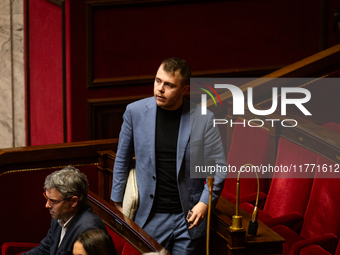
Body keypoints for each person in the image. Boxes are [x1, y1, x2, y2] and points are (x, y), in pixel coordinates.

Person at [111, 57, 226, 255]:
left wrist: (205, 202)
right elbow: (122, 159)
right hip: (149, 216)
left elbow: (219, 166)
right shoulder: (135, 112)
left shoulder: (204, 118)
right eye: (157, 81)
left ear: (185, 90)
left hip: (189, 218)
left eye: (169, 85)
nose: (160, 89)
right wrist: (118, 203)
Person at [23, 166, 107, 255]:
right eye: (47, 199)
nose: (47, 205)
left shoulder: (89, 230)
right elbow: (45, 249)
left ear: (74, 201)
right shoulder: (59, 217)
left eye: (53, 201)